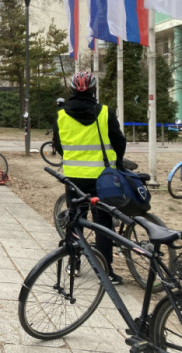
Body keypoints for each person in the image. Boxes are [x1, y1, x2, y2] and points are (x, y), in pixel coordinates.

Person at [52, 70, 126, 285]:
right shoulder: (104, 112)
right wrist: (118, 162)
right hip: (102, 177)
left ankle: (72, 264)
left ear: (72, 90)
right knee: (103, 223)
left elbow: (58, 144)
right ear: (93, 90)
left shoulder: (61, 114)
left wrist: (72, 158)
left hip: (74, 176)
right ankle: (106, 271)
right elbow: (119, 141)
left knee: (74, 219)